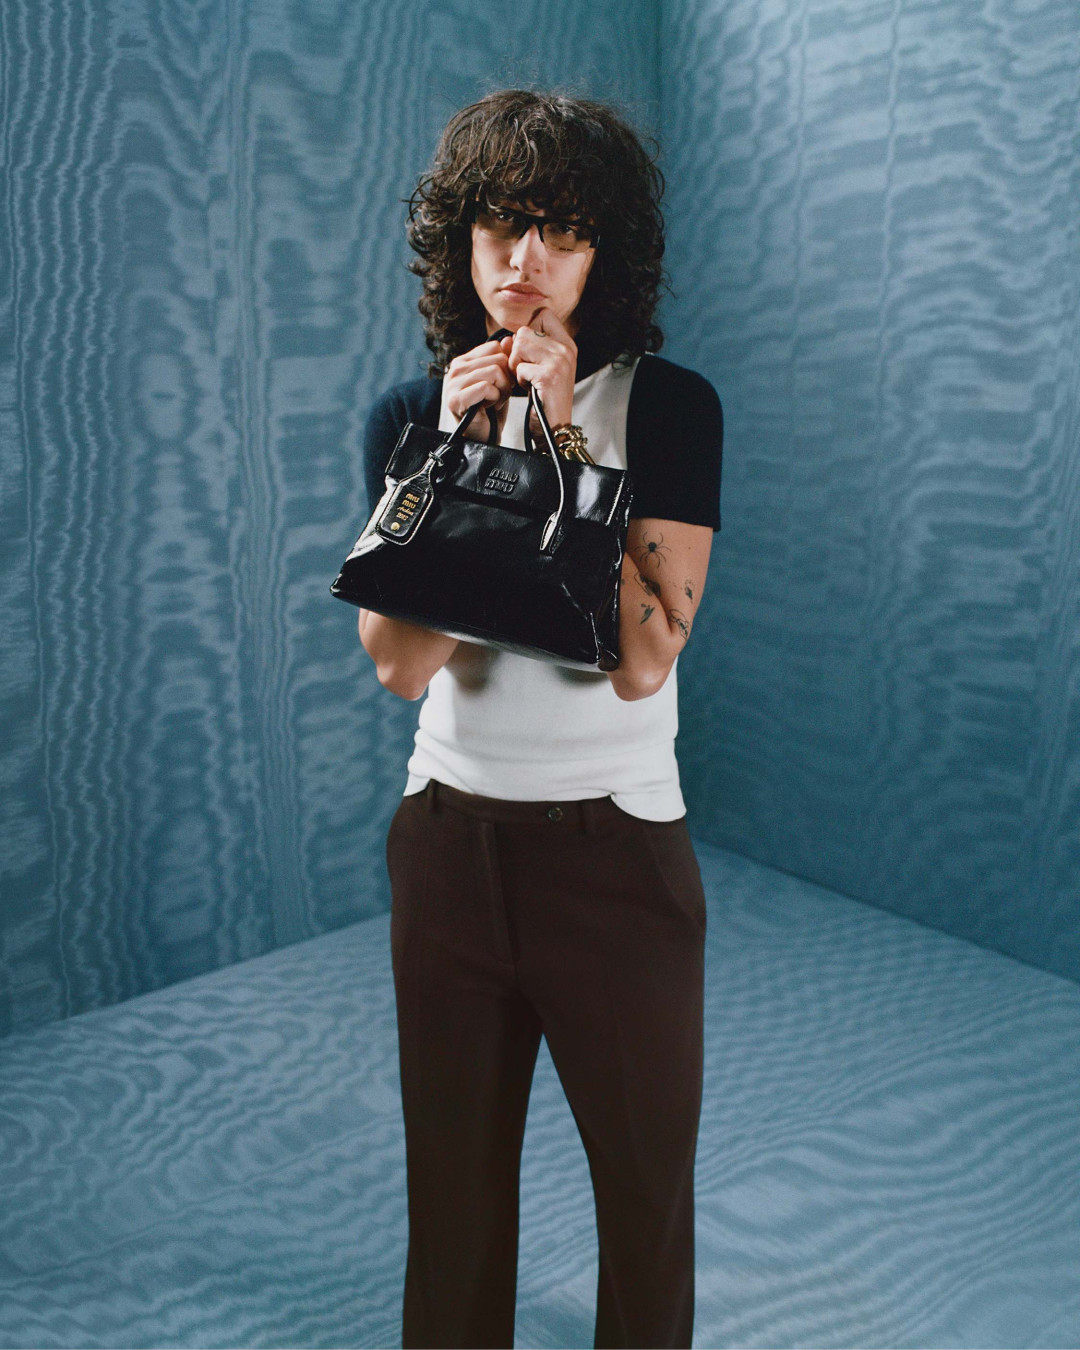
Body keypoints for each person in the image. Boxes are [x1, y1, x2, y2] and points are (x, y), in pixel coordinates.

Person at [356, 89, 722, 1350]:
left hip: (614, 856)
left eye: (563, 231)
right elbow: (401, 663)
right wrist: (466, 452)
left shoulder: (666, 408)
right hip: (448, 847)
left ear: (603, 253)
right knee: (452, 1208)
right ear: (459, 241)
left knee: (644, 1201)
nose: (527, 260)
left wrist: (560, 442)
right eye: (502, 224)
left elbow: (642, 660)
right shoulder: (412, 417)